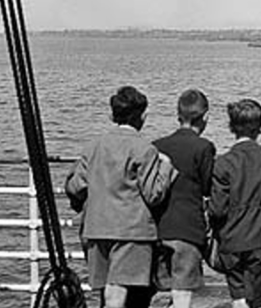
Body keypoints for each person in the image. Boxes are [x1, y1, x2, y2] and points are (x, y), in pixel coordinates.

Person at [65, 86, 178, 308]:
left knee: (107, 293)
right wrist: (166, 167)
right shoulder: (144, 149)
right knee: (118, 295)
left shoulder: (93, 147)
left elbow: (75, 186)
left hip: (96, 229)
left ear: (112, 114)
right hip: (131, 232)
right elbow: (153, 194)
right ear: (142, 116)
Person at [208, 99, 261, 308]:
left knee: (239, 300)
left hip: (232, 239)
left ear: (231, 127)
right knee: (260, 300)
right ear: (260, 126)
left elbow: (217, 209)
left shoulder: (223, 162)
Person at [152, 89, 216, 308]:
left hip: (159, 227)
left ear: (178, 115)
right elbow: (208, 187)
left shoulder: (158, 145)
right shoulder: (204, 147)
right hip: (188, 228)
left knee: (161, 292)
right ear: (205, 117)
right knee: (182, 294)